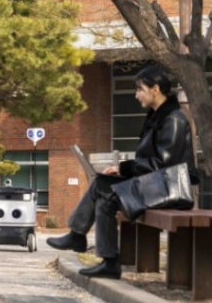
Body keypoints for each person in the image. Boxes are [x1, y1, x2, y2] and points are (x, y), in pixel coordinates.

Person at [47, 65, 197, 279]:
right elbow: (152, 163)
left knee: (108, 200)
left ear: (155, 89)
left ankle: (108, 262)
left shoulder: (172, 119)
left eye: (139, 90)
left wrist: (124, 168)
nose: (136, 95)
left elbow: (165, 165)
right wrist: (123, 171)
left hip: (171, 188)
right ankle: (78, 235)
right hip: (158, 185)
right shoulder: (157, 117)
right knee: (100, 182)